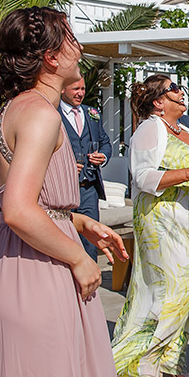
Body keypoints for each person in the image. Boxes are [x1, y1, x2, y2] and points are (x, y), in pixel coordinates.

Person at [0, 7, 126, 377]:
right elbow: (18, 208)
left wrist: (77, 220)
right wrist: (79, 256)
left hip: (17, 262)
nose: (80, 47)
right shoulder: (39, 113)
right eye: (72, 39)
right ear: (51, 58)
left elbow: (28, 198)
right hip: (34, 274)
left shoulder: (18, 110)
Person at [111, 74, 189, 377]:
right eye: (173, 88)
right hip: (160, 219)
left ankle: (173, 358)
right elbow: (143, 177)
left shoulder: (187, 131)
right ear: (158, 101)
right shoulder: (150, 127)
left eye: (179, 87)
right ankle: (142, 360)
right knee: (176, 290)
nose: (181, 92)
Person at [59, 78, 113, 260]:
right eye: (75, 89)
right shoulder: (51, 113)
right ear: (62, 89)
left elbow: (105, 142)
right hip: (62, 190)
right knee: (64, 239)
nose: (80, 93)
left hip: (88, 188)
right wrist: (62, 165)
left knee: (90, 240)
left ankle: (90, 284)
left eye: (82, 88)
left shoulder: (92, 113)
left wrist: (103, 156)